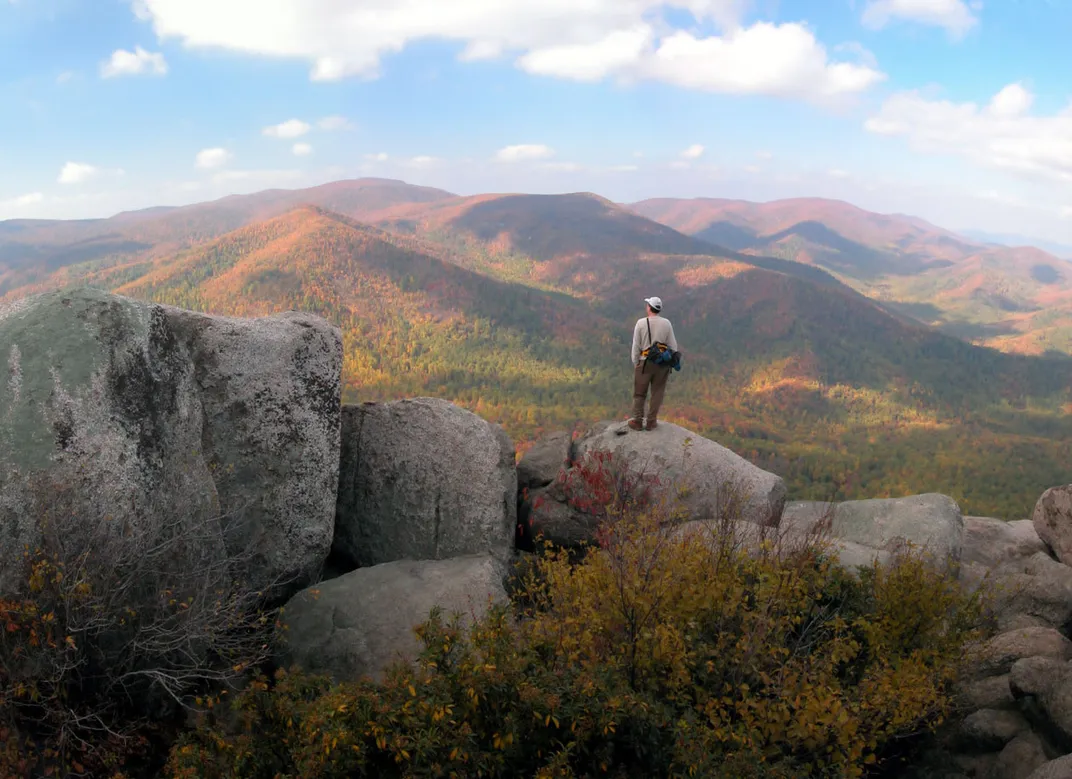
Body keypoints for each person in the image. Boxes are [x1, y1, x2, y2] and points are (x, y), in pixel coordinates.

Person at [629, 296, 679, 431]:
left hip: (644, 362)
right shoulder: (667, 323)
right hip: (662, 365)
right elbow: (673, 347)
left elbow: (636, 346)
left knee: (640, 393)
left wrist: (635, 362)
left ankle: (638, 422)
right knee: (657, 392)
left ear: (649, 308)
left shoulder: (641, 323)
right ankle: (651, 422)